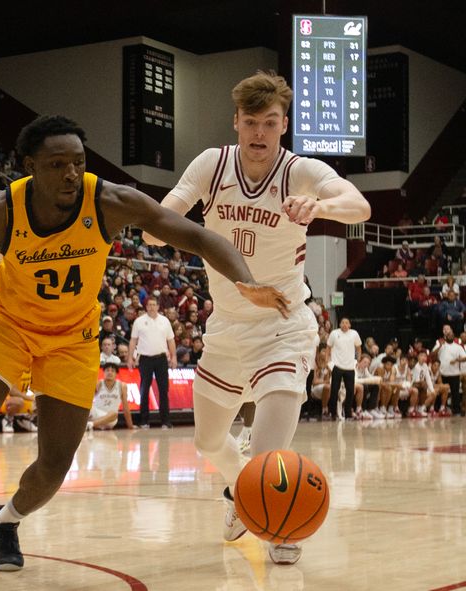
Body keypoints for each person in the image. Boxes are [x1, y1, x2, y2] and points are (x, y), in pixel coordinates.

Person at [0, 115, 287, 572]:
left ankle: (5, 523)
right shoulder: (0, 211)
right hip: (10, 328)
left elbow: (198, 235)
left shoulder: (108, 202)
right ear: (30, 166)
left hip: (73, 339)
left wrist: (245, 281)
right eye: (57, 164)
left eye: (78, 162)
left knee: (54, 466)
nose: (70, 173)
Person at [142, 71, 371, 565]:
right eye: (251, 122)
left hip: (283, 325)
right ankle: (239, 489)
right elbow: (163, 222)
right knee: (207, 441)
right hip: (226, 327)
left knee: (270, 451)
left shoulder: (300, 172)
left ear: (283, 125)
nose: (260, 133)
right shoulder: (212, 164)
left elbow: (361, 205)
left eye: (270, 122)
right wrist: (164, 223)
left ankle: (280, 525)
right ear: (236, 123)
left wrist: (321, 203)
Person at [127, 298, 176, 429]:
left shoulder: (164, 321)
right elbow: (133, 341)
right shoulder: (139, 321)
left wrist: (174, 356)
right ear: (146, 307)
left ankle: (165, 421)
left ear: (158, 306)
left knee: (163, 390)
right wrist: (130, 358)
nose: (152, 307)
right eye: (149, 305)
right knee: (144, 390)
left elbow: (171, 340)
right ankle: (144, 421)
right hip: (145, 359)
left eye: (154, 305)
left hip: (161, 359)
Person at [326, 318, 362, 420]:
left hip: (350, 367)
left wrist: (358, 360)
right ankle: (332, 413)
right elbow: (328, 348)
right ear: (340, 324)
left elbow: (359, 347)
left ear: (349, 325)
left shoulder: (354, 334)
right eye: (342, 322)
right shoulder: (334, 333)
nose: (344, 324)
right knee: (334, 390)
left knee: (350, 391)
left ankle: (348, 413)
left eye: (347, 323)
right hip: (337, 366)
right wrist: (327, 362)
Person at [86, 361, 134, 431]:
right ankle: (90, 425)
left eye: (112, 371)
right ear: (104, 372)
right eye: (107, 370)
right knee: (87, 407)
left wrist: (131, 426)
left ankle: (91, 424)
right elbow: (88, 400)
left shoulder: (122, 386)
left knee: (114, 414)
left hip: (110, 419)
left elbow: (126, 407)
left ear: (116, 374)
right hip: (96, 414)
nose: (110, 372)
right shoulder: (99, 383)